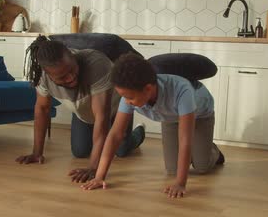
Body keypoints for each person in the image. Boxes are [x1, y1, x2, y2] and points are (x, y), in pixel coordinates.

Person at [81, 53, 224, 198]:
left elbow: (185, 140)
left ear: (148, 89)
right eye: (123, 97)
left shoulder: (182, 90)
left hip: (200, 116)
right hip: (170, 118)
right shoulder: (129, 96)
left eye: (129, 97)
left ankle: (213, 151)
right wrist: (99, 176)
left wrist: (180, 183)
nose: (126, 101)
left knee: (201, 167)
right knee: (172, 170)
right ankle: (201, 147)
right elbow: (115, 135)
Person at [16, 36, 145, 183]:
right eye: (62, 77)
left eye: (72, 69)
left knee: (121, 150)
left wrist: (93, 168)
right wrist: (36, 153)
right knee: (80, 152)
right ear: (49, 76)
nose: (71, 78)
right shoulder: (42, 77)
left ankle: (137, 134)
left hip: (115, 111)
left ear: (73, 56)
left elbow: (102, 117)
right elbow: (42, 109)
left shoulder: (96, 64)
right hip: (83, 113)